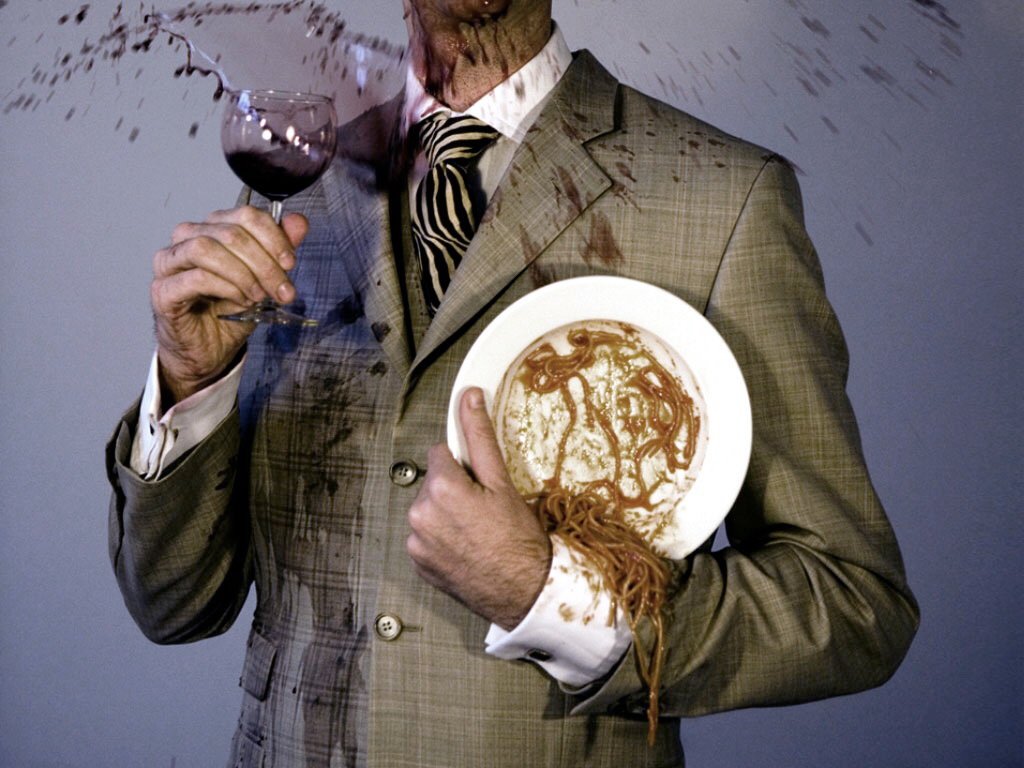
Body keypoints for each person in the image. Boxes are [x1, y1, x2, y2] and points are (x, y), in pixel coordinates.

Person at [106, 1, 919, 765]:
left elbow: (854, 605)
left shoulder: (723, 194)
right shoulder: (298, 180)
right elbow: (175, 606)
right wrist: (192, 381)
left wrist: (559, 601)